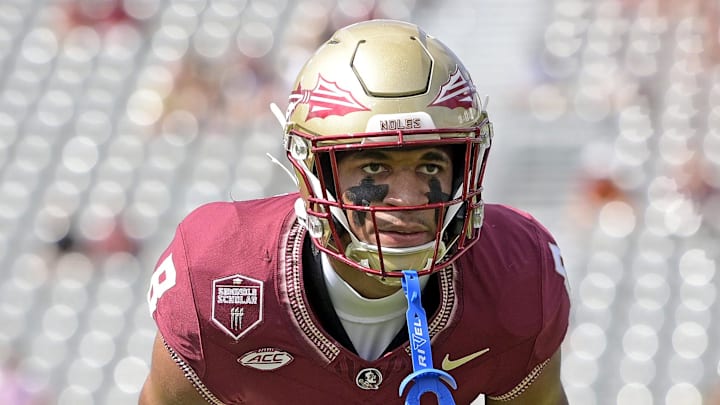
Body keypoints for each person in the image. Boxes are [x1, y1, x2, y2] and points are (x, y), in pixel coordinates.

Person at [139, 19, 571, 405]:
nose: (407, 198)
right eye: (374, 166)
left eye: (431, 165)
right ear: (314, 172)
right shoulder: (219, 273)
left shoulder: (516, 272)